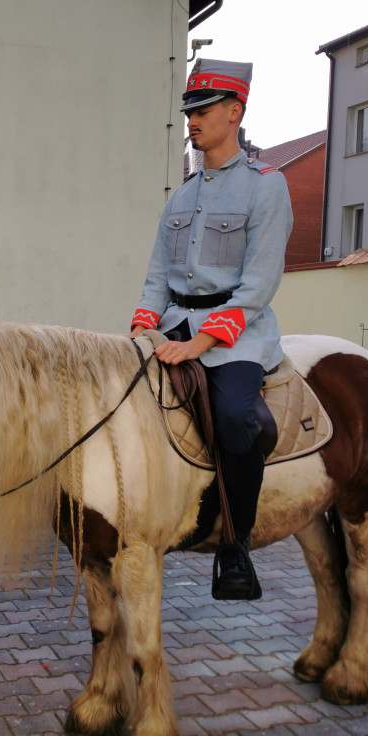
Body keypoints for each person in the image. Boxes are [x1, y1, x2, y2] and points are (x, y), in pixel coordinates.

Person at [129, 59, 292, 601]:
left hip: (238, 334)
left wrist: (201, 342)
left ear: (234, 112)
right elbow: (157, 277)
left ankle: (236, 545)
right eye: (189, 112)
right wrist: (141, 329)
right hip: (175, 324)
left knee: (233, 420)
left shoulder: (266, 188)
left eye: (202, 111)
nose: (192, 121)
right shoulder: (180, 196)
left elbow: (258, 285)